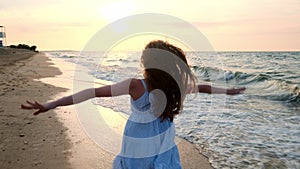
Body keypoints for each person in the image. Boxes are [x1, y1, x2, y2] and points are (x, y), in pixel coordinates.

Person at [21, 40, 245, 169]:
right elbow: (203, 87)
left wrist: (52, 104)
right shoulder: (174, 86)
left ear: (145, 63)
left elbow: (92, 92)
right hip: (162, 139)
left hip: (138, 139)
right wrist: (229, 90)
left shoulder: (135, 85)